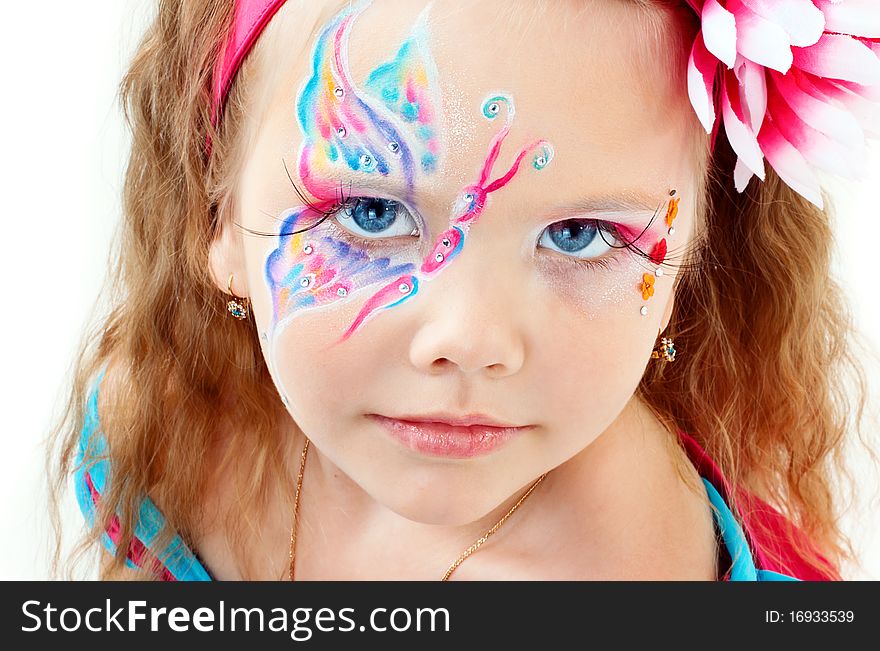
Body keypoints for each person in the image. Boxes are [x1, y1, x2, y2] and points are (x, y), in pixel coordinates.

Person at [49, 0, 879, 581]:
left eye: (582, 236)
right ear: (213, 221)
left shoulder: (642, 571)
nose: (469, 336)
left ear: (694, 264)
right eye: (370, 213)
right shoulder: (160, 421)